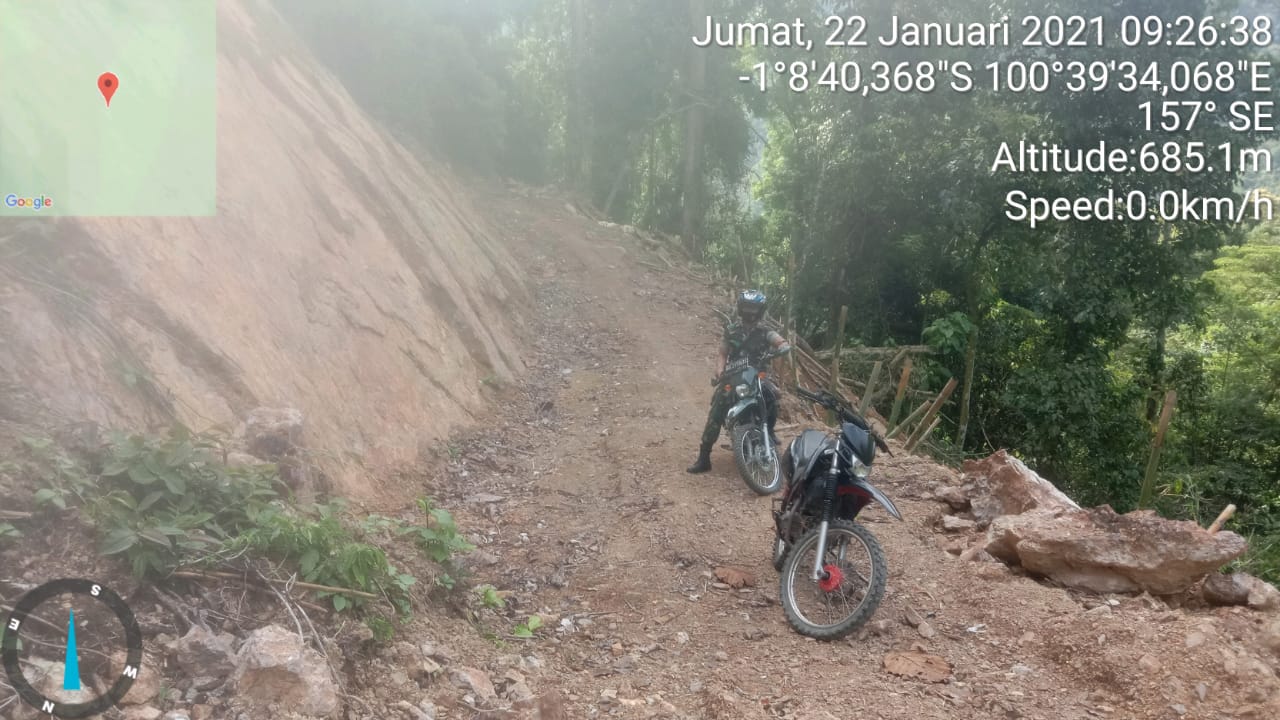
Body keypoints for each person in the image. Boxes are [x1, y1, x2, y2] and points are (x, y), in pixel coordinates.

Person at [687, 289, 791, 474]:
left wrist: (781, 347)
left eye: (754, 307)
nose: (750, 311)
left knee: (773, 395)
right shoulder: (731, 330)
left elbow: (780, 342)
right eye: (747, 307)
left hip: (758, 374)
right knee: (717, 409)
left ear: (760, 310)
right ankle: (704, 457)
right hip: (733, 375)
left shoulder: (766, 331)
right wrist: (719, 371)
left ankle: (770, 431)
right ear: (741, 308)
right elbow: (722, 353)